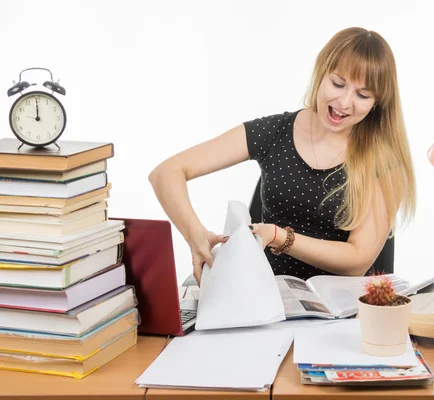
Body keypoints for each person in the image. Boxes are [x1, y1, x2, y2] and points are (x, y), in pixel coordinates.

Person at [149, 27, 416, 286]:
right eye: (337, 83)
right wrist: (195, 234)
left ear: (376, 103)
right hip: (268, 298)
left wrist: (280, 237)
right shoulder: (275, 131)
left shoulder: (384, 163)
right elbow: (166, 173)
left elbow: (358, 259)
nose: (345, 102)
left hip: (341, 312)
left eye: (362, 95)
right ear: (321, 73)